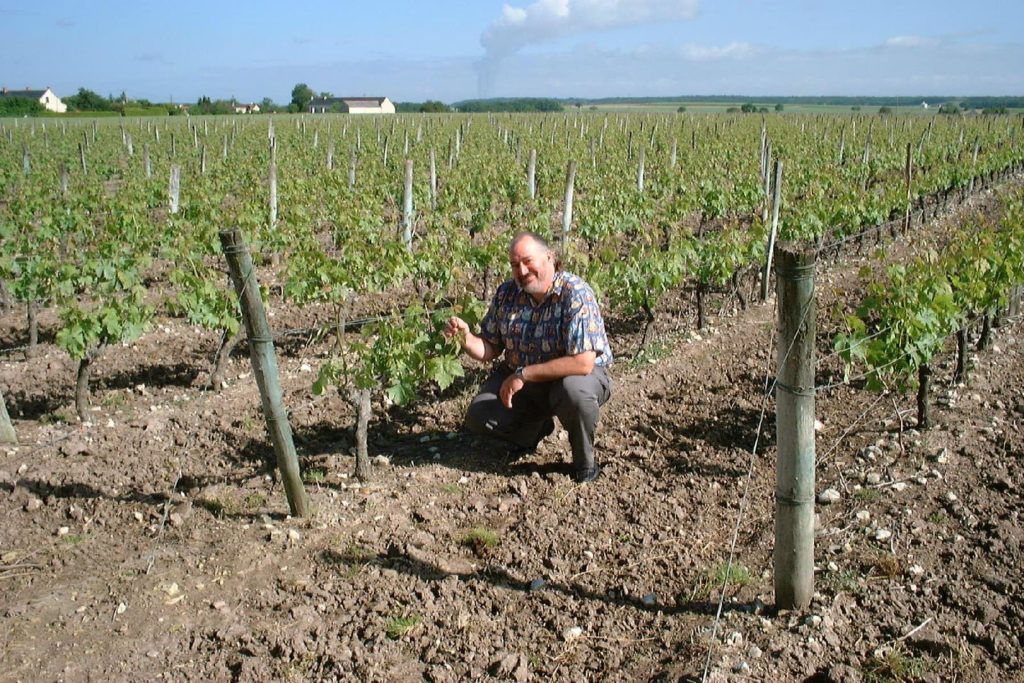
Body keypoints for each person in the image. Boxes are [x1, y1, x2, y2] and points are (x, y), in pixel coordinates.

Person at [444, 231, 613, 483]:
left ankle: (584, 464)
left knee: (574, 392)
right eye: (515, 264)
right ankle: (534, 429)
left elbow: (583, 362)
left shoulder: (575, 293)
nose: (521, 270)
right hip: (526, 383)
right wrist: (466, 338)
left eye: (527, 261)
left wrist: (524, 374)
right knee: (480, 417)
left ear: (549, 257)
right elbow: (490, 348)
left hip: (574, 377)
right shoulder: (507, 294)